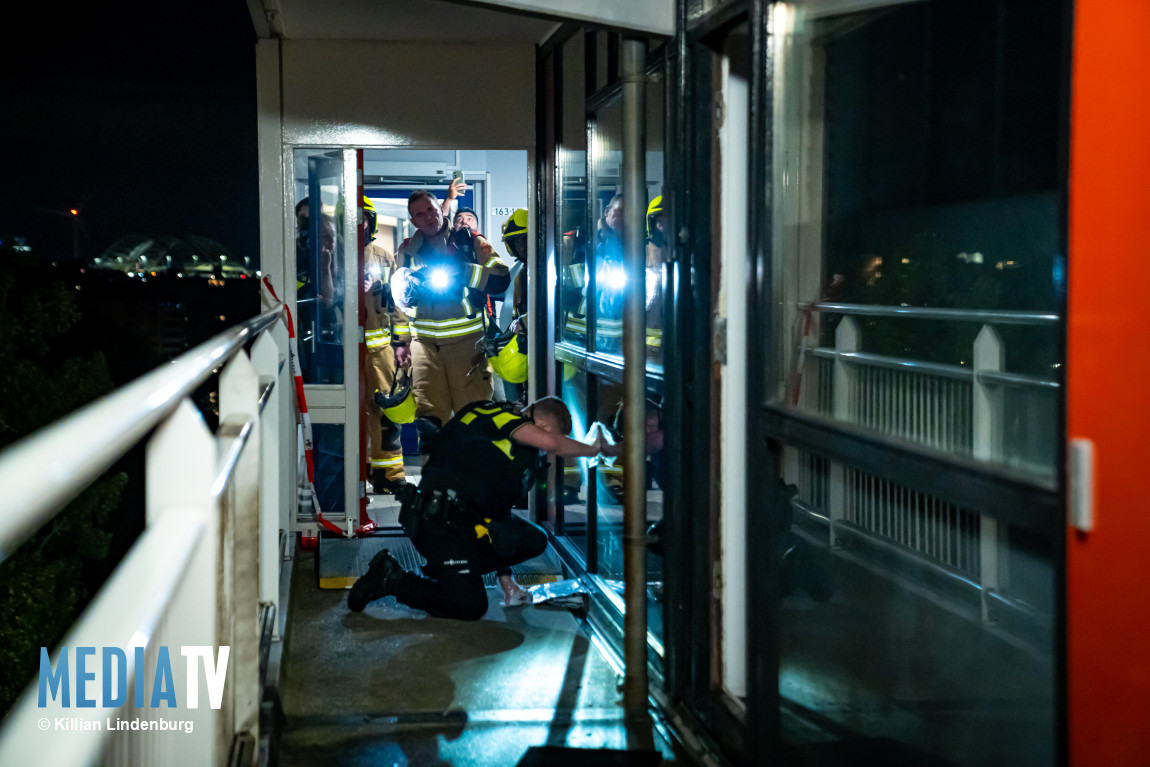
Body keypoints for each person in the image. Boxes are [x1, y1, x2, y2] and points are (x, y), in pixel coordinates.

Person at [348, 397, 618, 619]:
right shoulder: (500, 418)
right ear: (543, 426)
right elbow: (551, 444)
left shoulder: (507, 451)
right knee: (470, 606)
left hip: (461, 521)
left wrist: (507, 583)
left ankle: (451, 572)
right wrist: (593, 449)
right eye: (550, 439)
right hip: (436, 522)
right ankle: (391, 578)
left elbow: (497, 515)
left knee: (533, 539)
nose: (546, 453)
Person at [389, 190, 510, 432]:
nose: (428, 217)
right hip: (423, 349)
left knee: (473, 419)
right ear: (413, 221)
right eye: (419, 214)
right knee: (429, 423)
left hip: (467, 347)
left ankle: (472, 470)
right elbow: (398, 303)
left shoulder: (471, 242)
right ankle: (434, 470)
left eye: (431, 209)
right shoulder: (406, 252)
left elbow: (501, 278)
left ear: (441, 209)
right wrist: (400, 343)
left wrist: (466, 272)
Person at [361, 197, 409, 493]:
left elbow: (399, 300)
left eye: (365, 217)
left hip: (380, 350)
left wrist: (401, 342)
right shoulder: (333, 253)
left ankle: (389, 475)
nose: (360, 223)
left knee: (385, 411)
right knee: (351, 410)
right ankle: (360, 467)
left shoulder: (383, 256)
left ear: (372, 221)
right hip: (344, 352)